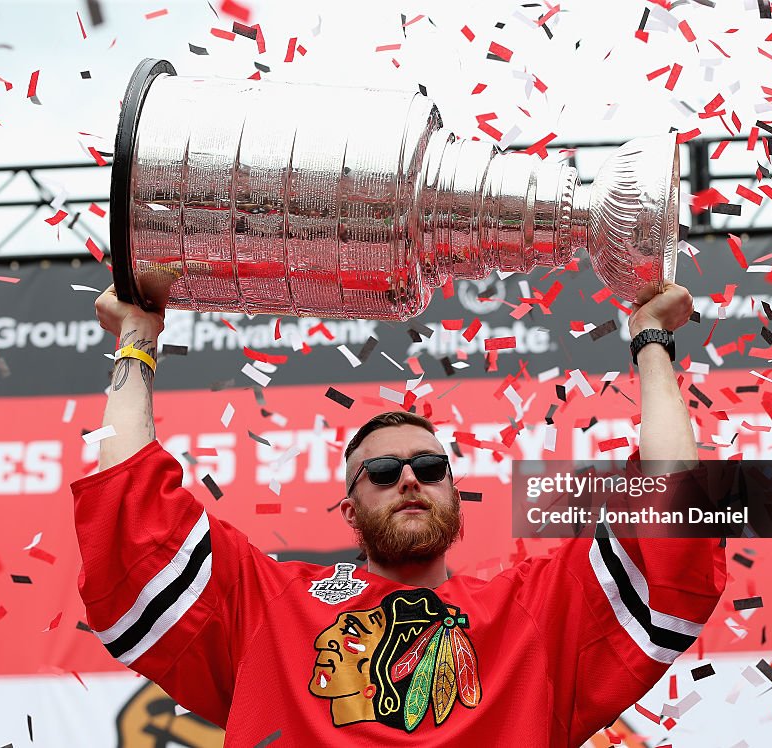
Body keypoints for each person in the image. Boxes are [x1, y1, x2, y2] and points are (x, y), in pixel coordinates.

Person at [72, 280, 726, 746]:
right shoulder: (272, 604)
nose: (410, 478)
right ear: (349, 507)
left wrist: (651, 340)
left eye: (431, 467)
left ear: (454, 492)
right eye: (382, 472)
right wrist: (136, 339)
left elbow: (673, 516)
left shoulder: (531, 610)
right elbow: (132, 517)